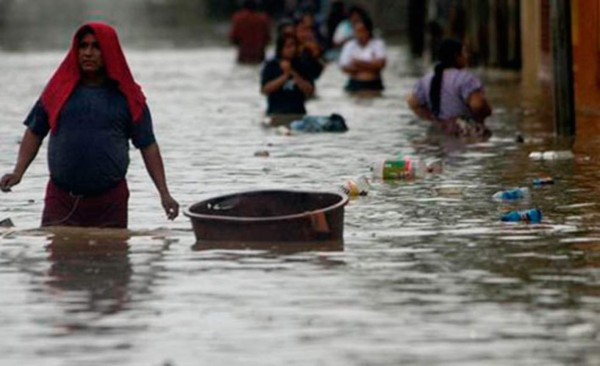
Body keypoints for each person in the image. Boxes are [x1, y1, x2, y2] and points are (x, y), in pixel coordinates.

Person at [0, 22, 179, 228]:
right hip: (61, 201)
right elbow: (34, 131)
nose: (88, 53)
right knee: (59, 253)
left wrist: (164, 194)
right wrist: (18, 172)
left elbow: (148, 146)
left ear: (109, 52)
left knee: (112, 254)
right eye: (83, 46)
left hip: (110, 202)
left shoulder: (129, 98)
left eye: (96, 47)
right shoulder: (57, 91)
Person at [406, 38, 492, 138]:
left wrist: (432, 118)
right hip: (463, 131)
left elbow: (412, 102)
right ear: (457, 56)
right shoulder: (466, 79)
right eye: (464, 53)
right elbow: (478, 105)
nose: (467, 56)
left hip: (437, 130)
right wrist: (485, 113)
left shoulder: (426, 79)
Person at [261, 35, 315, 126]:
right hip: (276, 114)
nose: (292, 50)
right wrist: (285, 76)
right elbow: (265, 90)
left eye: (294, 46)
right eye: (288, 47)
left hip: (298, 114)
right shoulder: (271, 65)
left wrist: (293, 73)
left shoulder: (302, 65)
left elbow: (310, 90)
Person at [339, 17, 387, 95]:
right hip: (355, 84)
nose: (359, 34)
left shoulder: (378, 43)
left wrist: (359, 63)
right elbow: (344, 67)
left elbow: (381, 64)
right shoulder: (349, 45)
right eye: (356, 31)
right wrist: (371, 65)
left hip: (374, 85)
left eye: (362, 31)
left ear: (368, 31)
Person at [229, 0, 271, 64]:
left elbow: (233, 37)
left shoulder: (238, 18)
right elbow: (267, 38)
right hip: (259, 55)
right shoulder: (263, 19)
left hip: (243, 54)